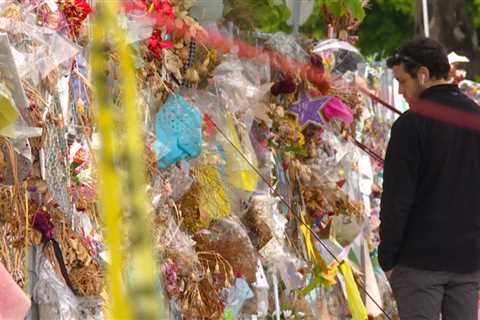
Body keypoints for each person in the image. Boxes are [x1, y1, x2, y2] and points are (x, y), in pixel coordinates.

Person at [379, 37, 480, 320]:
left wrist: (387, 258)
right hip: (468, 260)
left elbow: (396, 200)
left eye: (403, 81)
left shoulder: (410, 125)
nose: (400, 91)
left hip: (418, 263)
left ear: (423, 74)